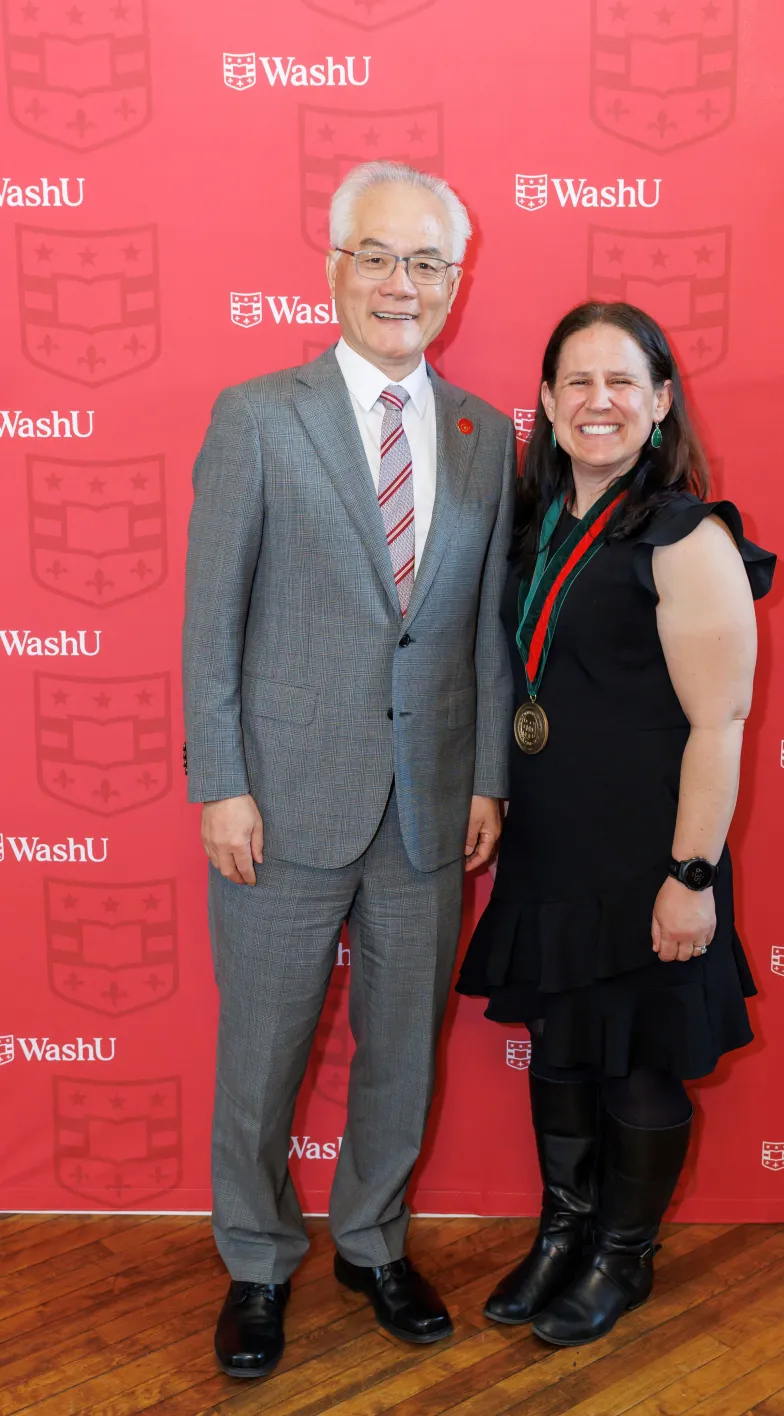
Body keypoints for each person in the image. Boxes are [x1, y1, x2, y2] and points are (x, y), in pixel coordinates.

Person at [183, 161, 516, 1378]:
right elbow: (208, 619)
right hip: (277, 803)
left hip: (430, 808)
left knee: (402, 1045)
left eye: (426, 263)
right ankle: (258, 1262)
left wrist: (485, 776)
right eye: (376, 255)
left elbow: (479, 627)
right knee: (262, 1049)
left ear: (454, 284)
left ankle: (374, 1242)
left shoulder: (484, 436)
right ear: (332, 267)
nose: (399, 283)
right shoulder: (256, 417)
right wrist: (218, 779)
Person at [457, 301, 775, 1348]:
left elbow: (717, 723)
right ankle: (564, 1230)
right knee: (559, 1046)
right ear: (545, 405)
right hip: (555, 841)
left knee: (637, 1058)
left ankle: (621, 1260)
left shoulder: (684, 533)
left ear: (660, 402)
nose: (599, 402)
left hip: (648, 850)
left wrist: (689, 874)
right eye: (576, 384)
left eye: (621, 383)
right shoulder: (538, 519)